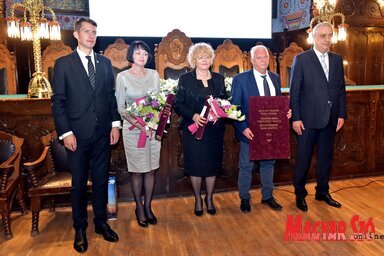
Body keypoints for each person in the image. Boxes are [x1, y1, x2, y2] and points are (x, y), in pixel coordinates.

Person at [51, 18, 120, 253]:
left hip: (102, 134)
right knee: (79, 184)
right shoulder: (63, 64)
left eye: (94, 32)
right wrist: (66, 133)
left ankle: (100, 223)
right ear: (76, 35)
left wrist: (115, 125)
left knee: (101, 181)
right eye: (87, 32)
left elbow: (109, 98)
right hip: (76, 136)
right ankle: (80, 228)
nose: (91, 36)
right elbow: (58, 103)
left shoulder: (105, 62)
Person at [290, 22, 347, 212]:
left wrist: (341, 114)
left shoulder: (337, 59)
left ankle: (322, 191)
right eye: (323, 36)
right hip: (307, 121)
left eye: (330, 35)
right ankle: (300, 194)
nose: (327, 39)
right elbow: (294, 92)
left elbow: (340, 90)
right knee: (303, 160)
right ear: (314, 37)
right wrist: (295, 118)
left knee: (325, 159)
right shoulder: (302, 59)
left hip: (330, 120)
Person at [231, 45, 290, 213]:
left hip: (270, 131)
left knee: (268, 164)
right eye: (259, 58)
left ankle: (267, 196)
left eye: (265, 57)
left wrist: (285, 112)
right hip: (249, 132)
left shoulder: (275, 78)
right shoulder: (240, 79)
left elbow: (277, 104)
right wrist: (242, 128)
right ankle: (244, 198)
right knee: (246, 166)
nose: (263, 60)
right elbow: (234, 108)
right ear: (251, 60)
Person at [115, 41, 164, 228]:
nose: (142, 56)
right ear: (131, 56)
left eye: (145, 53)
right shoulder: (122, 77)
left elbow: (158, 103)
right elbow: (121, 108)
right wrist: (140, 124)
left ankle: (148, 206)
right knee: (137, 171)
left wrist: (151, 124)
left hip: (152, 130)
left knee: (151, 169)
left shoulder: (154, 74)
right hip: (133, 129)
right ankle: (139, 207)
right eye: (138, 53)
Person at [174, 42, 227, 216]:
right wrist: (194, 116)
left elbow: (225, 103)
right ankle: (198, 199)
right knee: (195, 166)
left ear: (211, 59)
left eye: (207, 57)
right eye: (200, 57)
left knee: (212, 166)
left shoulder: (219, 79)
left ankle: (209, 198)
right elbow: (178, 104)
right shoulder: (185, 79)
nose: (204, 60)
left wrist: (221, 112)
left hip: (214, 131)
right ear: (194, 60)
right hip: (194, 130)